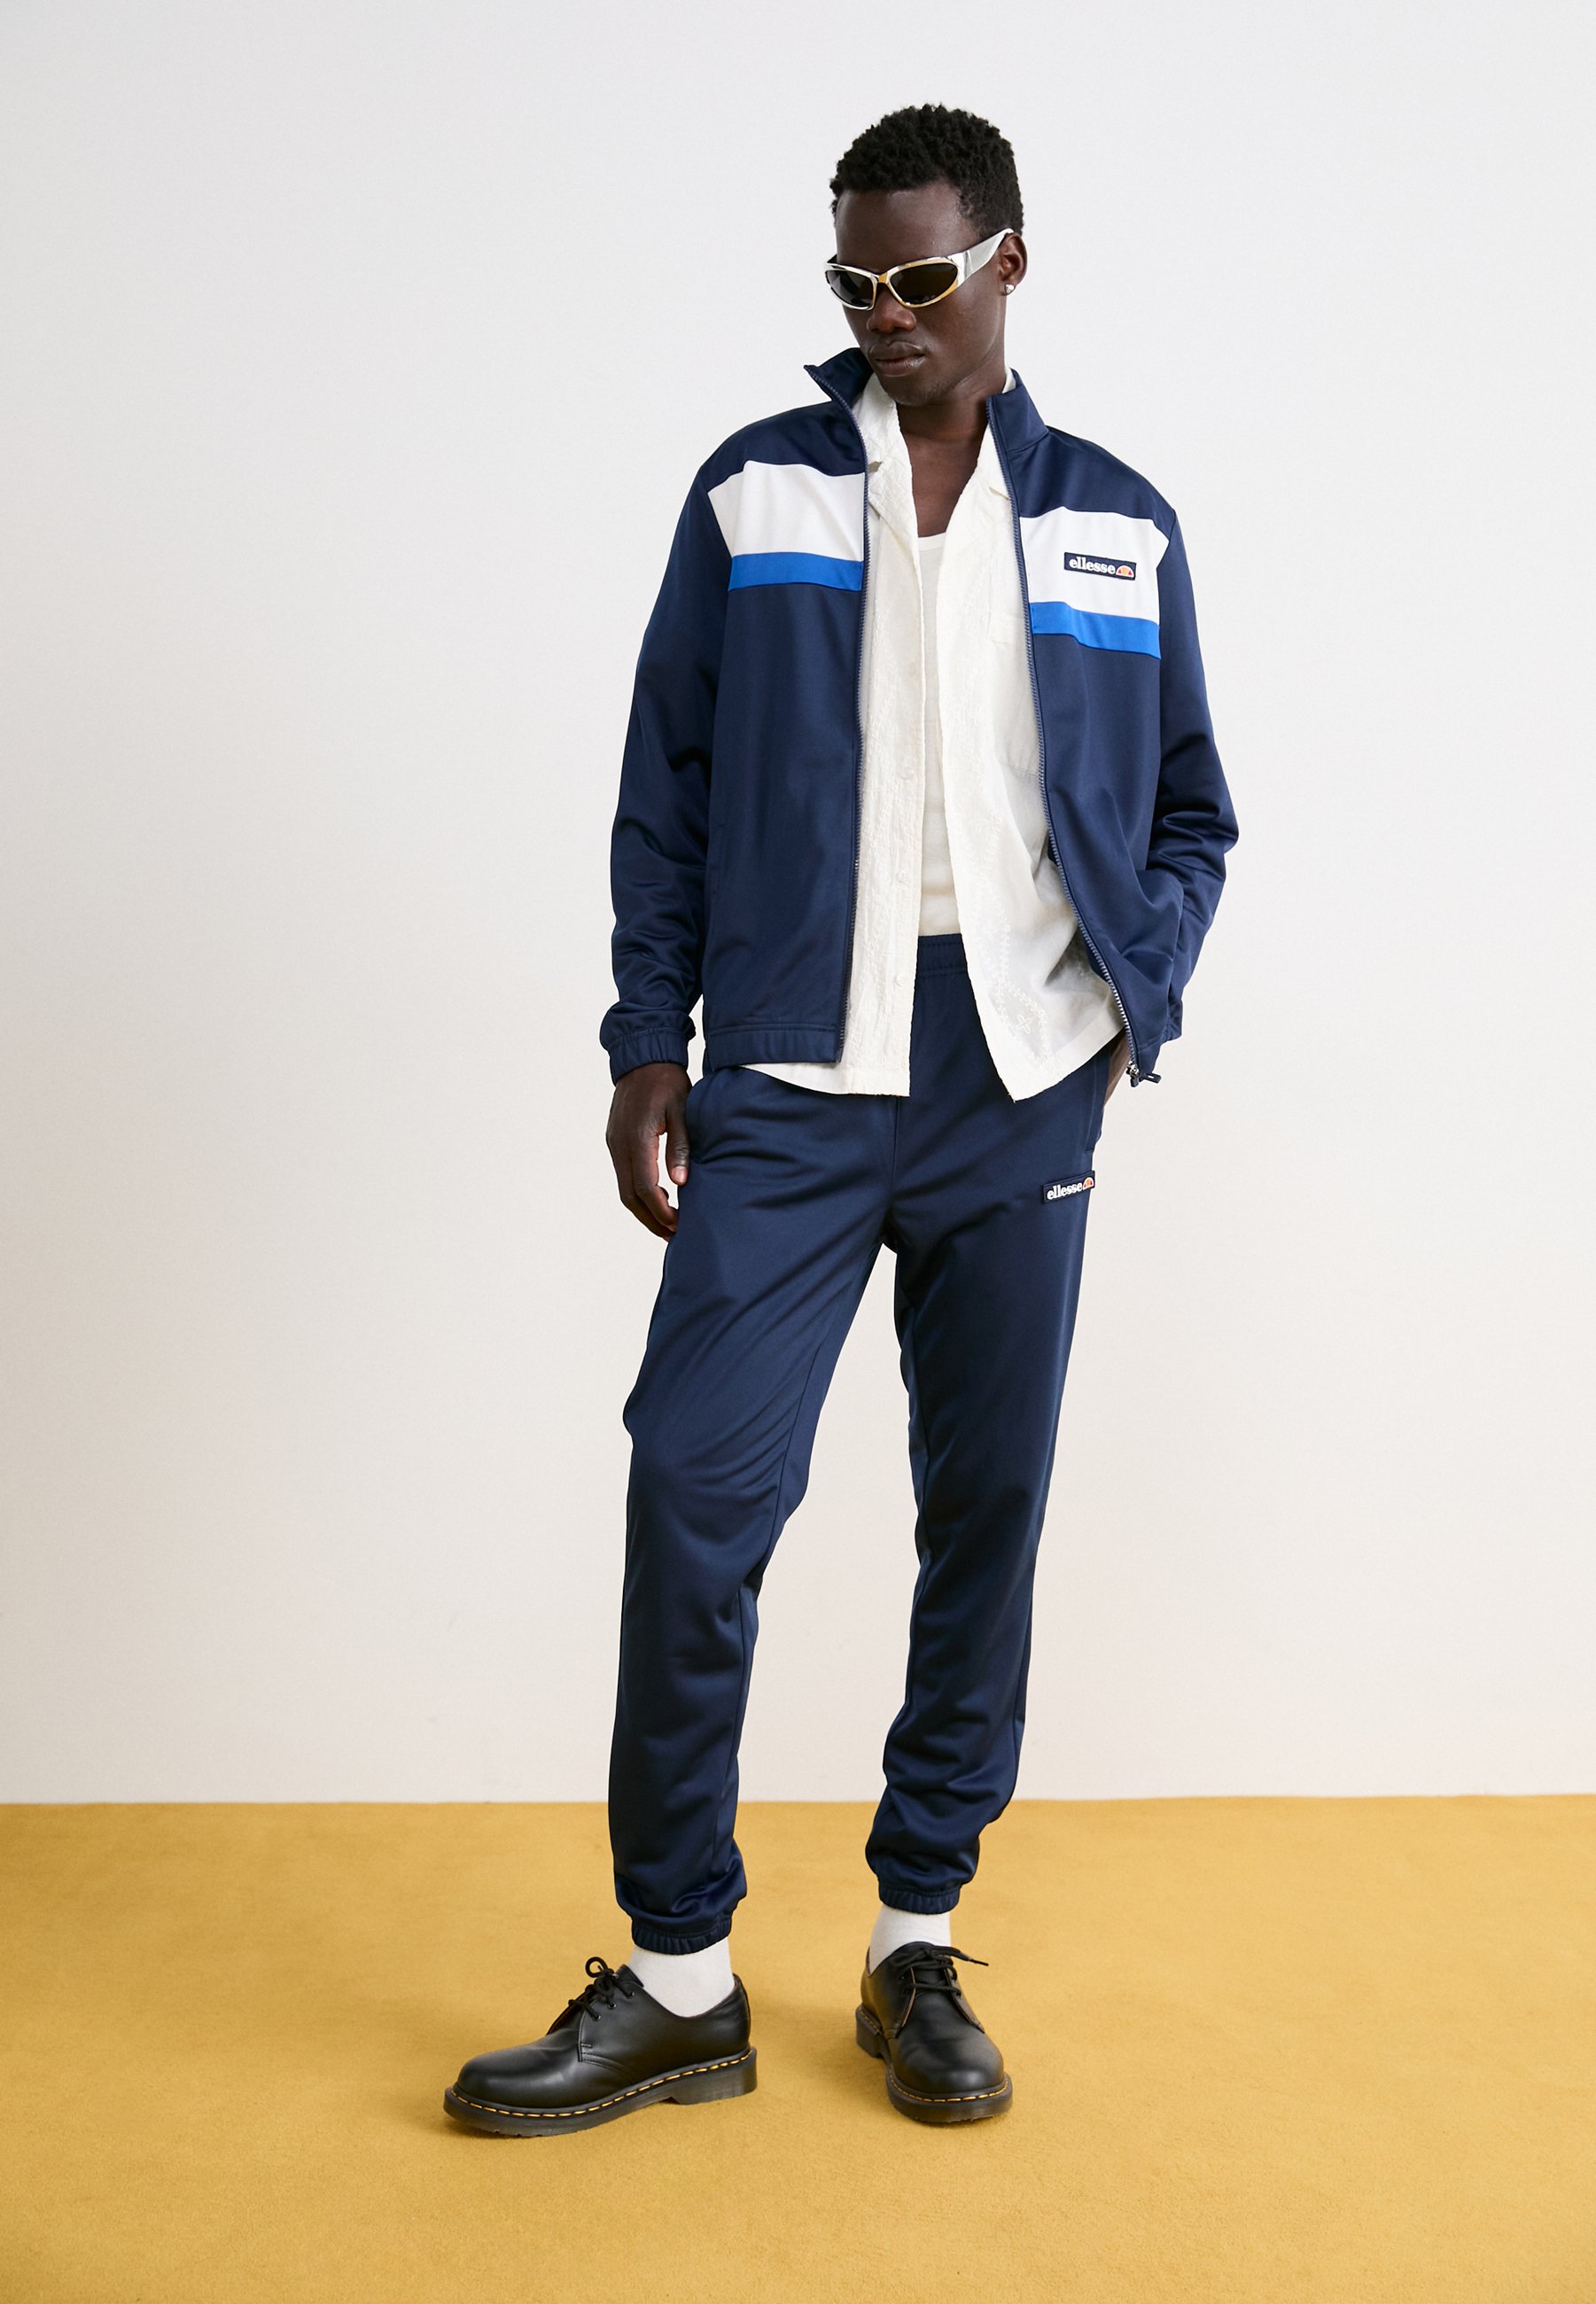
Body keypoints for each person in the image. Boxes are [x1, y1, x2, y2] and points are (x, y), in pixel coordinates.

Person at [445, 103, 1236, 2137]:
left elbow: (1187, 811)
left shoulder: (1116, 521)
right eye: (852, 281)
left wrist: (1124, 995)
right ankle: (680, 1978)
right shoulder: (756, 491)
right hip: (791, 1069)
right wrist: (647, 1040)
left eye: (920, 276)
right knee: (693, 1488)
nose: (886, 312)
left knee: (985, 1510)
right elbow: (667, 783)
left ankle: (914, 1941)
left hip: (1014, 1082)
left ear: (1007, 264)